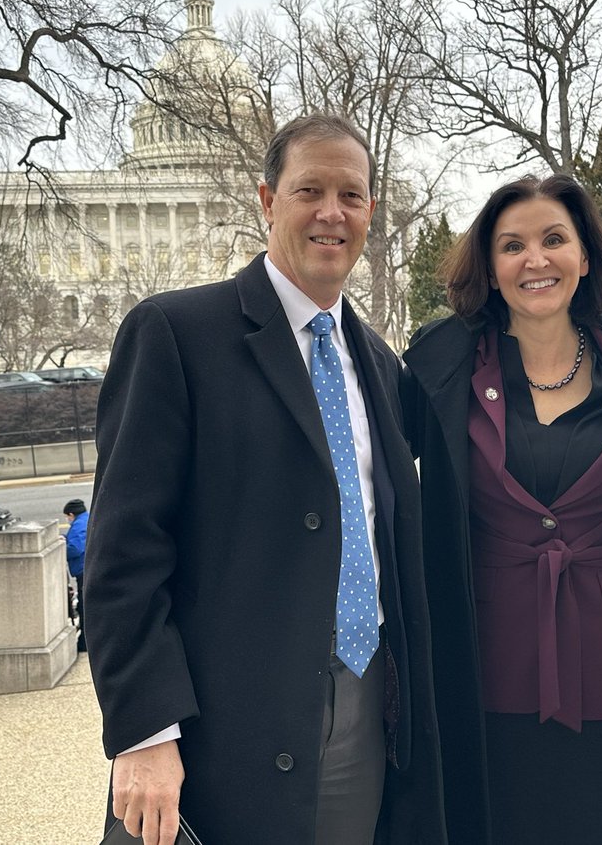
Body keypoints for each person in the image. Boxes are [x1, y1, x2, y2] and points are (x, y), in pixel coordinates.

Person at [84, 113, 443, 845]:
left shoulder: (377, 363)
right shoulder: (178, 334)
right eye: (309, 188)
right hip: (225, 721)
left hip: (366, 705)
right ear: (267, 199)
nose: (331, 212)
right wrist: (145, 730)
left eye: (351, 194)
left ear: (371, 210)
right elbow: (123, 554)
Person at [403, 174, 602, 844]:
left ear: (586, 255)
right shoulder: (439, 360)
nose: (534, 260)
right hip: (483, 670)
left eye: (553, 239)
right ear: (490, 265)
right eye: (512, 245)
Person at [63, 498, 88, 652]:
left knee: (83, 606)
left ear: (71, 514)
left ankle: (83, 643)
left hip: (82, 569)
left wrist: (62, 547)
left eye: (67, 517)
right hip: (85, 568)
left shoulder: (78, 525)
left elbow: (75, 548)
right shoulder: (85, 519)